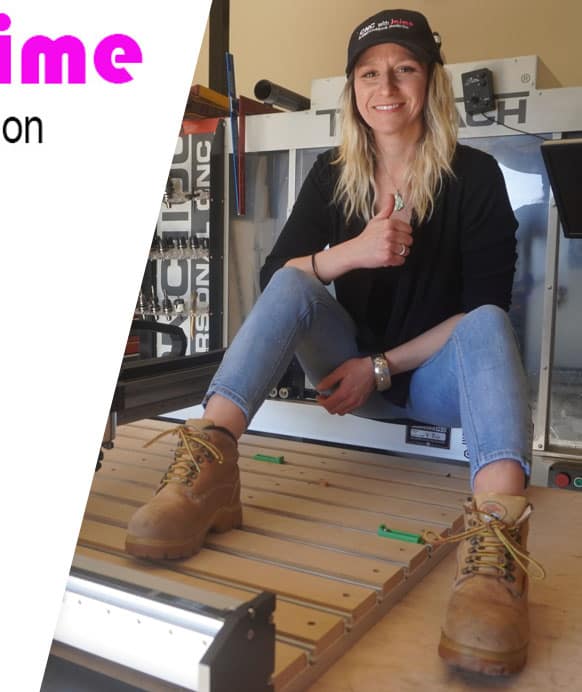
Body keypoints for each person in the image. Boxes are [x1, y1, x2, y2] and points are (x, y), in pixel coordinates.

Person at [124, 9, 543, 676]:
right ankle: (210, 466)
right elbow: (276, 281)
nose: (387, 87)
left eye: (405, 69)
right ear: (353, 88)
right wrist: (353, 252)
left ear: (430, 82)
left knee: (491, 321)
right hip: (339, 369)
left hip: (433, 385)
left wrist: (378, 368)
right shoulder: (331, 174)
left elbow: (480, 312)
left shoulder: (477, 177)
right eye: (370, 72)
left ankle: (495, 553)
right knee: (294, 286)